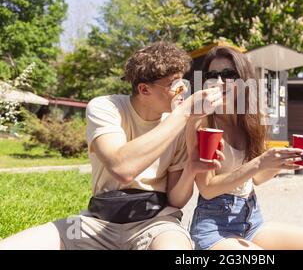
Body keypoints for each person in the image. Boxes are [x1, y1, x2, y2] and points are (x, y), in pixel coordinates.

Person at [0, 41, 225, 250]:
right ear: (144, 90)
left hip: (156, 223)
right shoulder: (105, 107)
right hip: (96, 222)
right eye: (175, 85)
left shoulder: (177, 123)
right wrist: (185, 113)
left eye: (183, 82)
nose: (184, 90)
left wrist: (191, 169)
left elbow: (176, 200)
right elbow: (122, 167)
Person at [187, 46, 303, 250]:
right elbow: (207, 188)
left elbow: (257, 178)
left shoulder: (251, 119)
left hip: (251, 219)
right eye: (212, 75)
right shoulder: (202, 122)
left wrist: (283, 162)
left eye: (228, 74)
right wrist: (259, 163)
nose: (219, 82)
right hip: (213, 225)